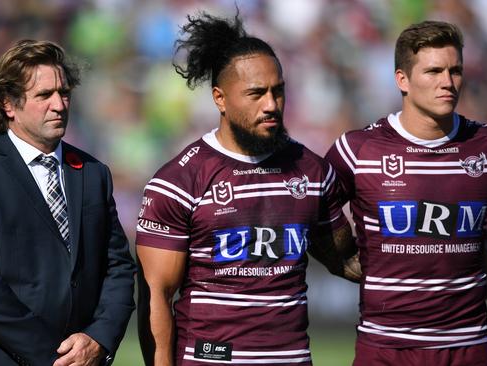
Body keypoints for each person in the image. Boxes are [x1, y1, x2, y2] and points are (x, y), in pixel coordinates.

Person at [135, 11, 358, 366]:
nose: (271, 105)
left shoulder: (312, 171)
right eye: (256, 94)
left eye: (278, 91)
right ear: (220, 99)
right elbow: (156, 297)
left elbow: (344, 258)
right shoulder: (178, 181)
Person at [324, 21, 487, 365]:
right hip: (385, 348)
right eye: (433, 71)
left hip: (467, 346)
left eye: (455, 70)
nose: (448, 82)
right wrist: (338, 262)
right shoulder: (358, 150)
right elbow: (307, 211)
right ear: (402, 79)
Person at [0, 40, 135, 366]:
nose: (59, 104)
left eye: (64, 92)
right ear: (8, 104)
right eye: (44, 95)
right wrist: (54, 356)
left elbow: (119, 267)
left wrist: (99, 339)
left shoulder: (94, 173)